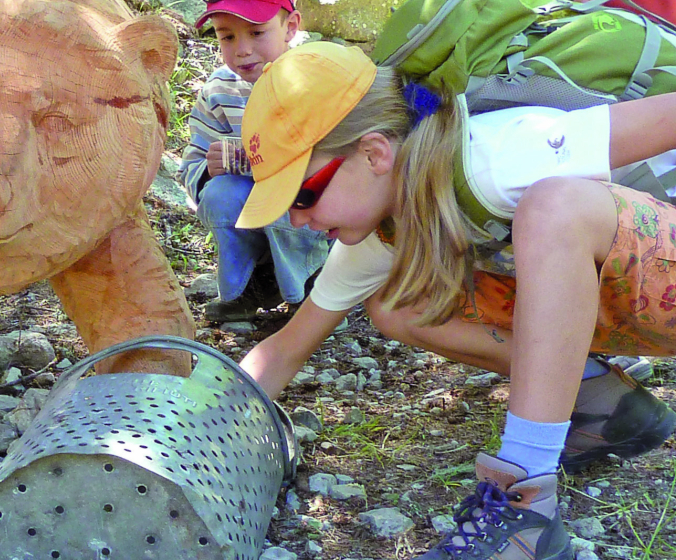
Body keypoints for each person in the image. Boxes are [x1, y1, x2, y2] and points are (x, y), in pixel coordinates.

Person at [235, 41, 676, 560]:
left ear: (374, 153)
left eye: (302, 196)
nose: (296, 220)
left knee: (555, 207)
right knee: (397, 302)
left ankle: (526, 512)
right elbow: (285, 349)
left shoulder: (500, 151)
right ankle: (611, 408)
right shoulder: (389, 222)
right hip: (630, 301)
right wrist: (201, 428)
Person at [176, 0, 332, 323]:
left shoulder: (313, 80)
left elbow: (337, 152)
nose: (243, 50)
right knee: (220, 194)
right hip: (250, 208)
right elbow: (191, 163)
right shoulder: (219, 91)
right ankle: (246, 286)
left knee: (283, 203)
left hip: (307, 210)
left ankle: (311, 288)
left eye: (257, 33)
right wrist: (208, 171)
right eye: (227, 37)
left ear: (290, 27)